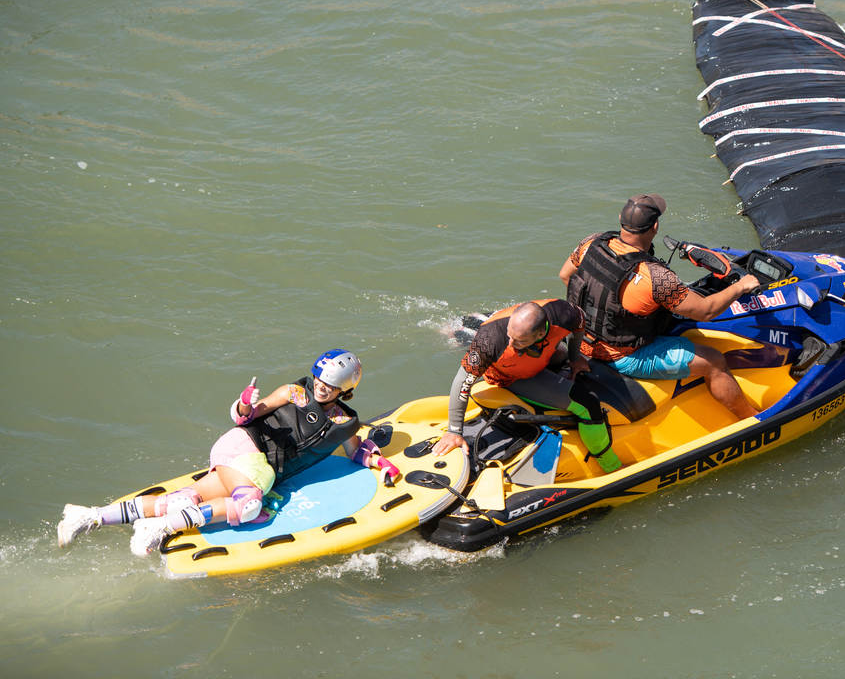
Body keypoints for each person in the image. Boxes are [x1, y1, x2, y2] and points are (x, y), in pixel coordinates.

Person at [57, 349, 398, 555]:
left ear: (346, 389)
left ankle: (89, 517)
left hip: (252, 466)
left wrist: (379, 462)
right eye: (318, 379)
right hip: (244, 449)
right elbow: (247, 415)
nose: (320, 387)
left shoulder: (346, 423)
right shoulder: (294, 392)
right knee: (250, 505)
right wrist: (244, 403)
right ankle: (161, 528)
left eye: (329, 385)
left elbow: (356, 452)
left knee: (180, 500)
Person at [559, 194, 762, 421]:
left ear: (620, 219)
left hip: (581, 340)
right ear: (654, 227)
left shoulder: (591, 243)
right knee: (713, 361)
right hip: (622, 356)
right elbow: (706, 311)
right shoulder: (656, 277)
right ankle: (752, 418)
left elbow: (566, 275)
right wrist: (742, 286)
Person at [431, 299, 622, 473]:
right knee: (588, 404)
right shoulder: (492, 341)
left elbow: (579, 324)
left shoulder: (565, 313)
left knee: (561, 355)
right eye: (510, 335)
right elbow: (463, 381)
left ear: (540, 333)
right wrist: (454, 431)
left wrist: (575, 358)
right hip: (512, 375)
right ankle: (612, 467)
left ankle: (554, 356)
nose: (511, 343)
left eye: (519, 340)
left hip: (542, 353)